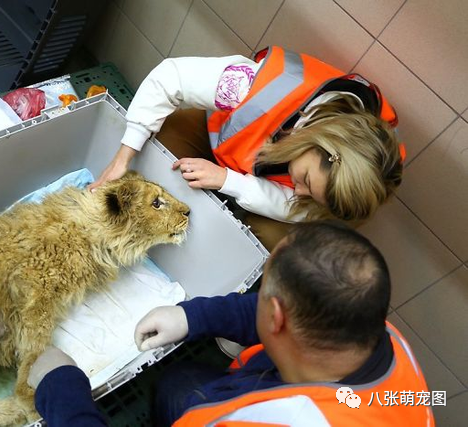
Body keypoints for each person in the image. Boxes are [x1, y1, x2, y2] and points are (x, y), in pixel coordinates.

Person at [28, 221, 434, 426]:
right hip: (278, 385)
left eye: (264, 295)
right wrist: (192, 315)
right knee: (178, 383)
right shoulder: (377, 335)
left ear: (276, 318)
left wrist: (61, 388)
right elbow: (278, 311)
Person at [88, 46, 405, 249]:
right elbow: (171, 78)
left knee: (274, 242)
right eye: (306, 181)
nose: (301, 193)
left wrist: (228, 181)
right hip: (220, 135)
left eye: (312, 193)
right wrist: (124, 154)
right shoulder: (250, 86)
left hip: (247, 169)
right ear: (316, 142)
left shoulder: (367, 172)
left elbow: (298, 207)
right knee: (159, 154)